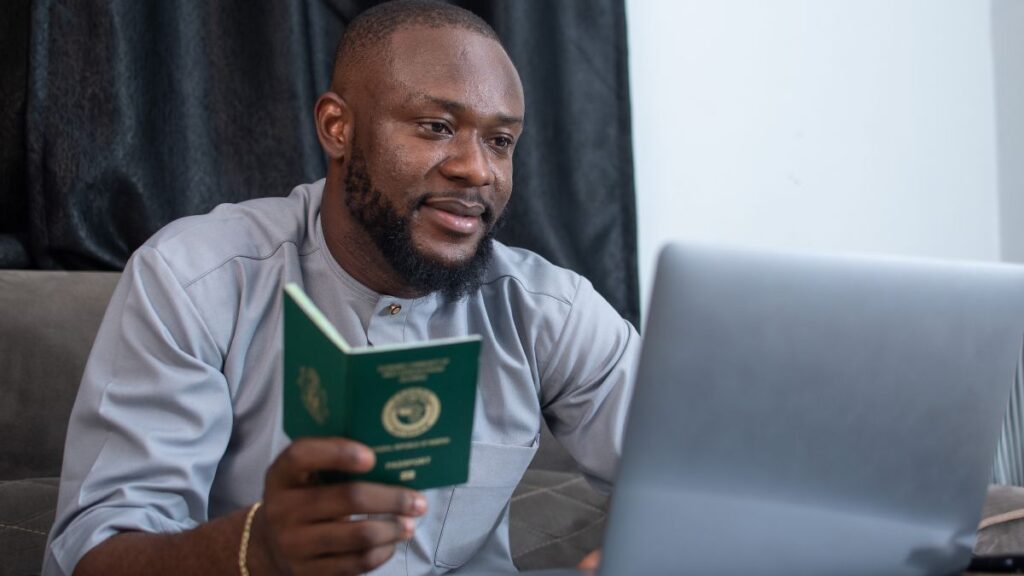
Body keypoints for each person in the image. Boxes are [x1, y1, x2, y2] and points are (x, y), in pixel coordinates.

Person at [43, 1, 638, 575]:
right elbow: (93, 557)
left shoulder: (546, 310)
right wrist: (257, 550)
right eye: (436, 127)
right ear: (337, 127)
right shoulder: (194, 281)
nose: (477, 169)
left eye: (500, 141)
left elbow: (704, 475)